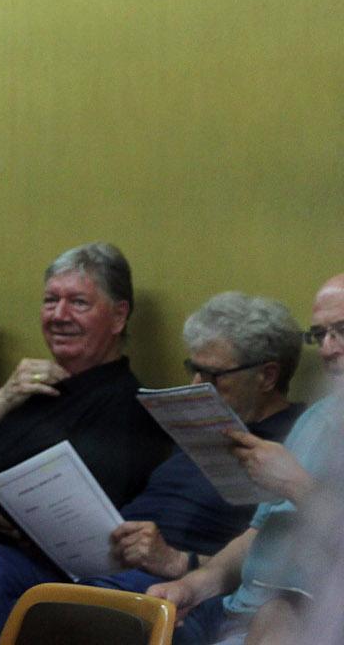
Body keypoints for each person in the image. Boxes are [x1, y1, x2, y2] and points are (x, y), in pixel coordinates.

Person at [0, 290, 304, 645]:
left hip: (180, 582)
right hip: (105, 556)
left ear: (267, 376)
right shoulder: (201, 420)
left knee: (82, 608)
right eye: (193, 370)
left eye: (214, 375)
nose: (196, 386)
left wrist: (180, 561)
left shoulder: (294, 445)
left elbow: (271, 564)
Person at [147, 274, 344, 645]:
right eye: (320, 335)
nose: (328, 349)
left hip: (296, 624)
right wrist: (192, 586)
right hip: (231, 613)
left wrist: (294, 484)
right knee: (107, 617)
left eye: (342, 331)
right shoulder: (319, 416)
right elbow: (259, 534)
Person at [0, 242, 173, 505]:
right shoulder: (27, 386)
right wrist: (0, 401)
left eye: (79, 302)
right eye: (51, 301)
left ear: (119, 316)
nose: (59, 315)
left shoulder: (128, 410)